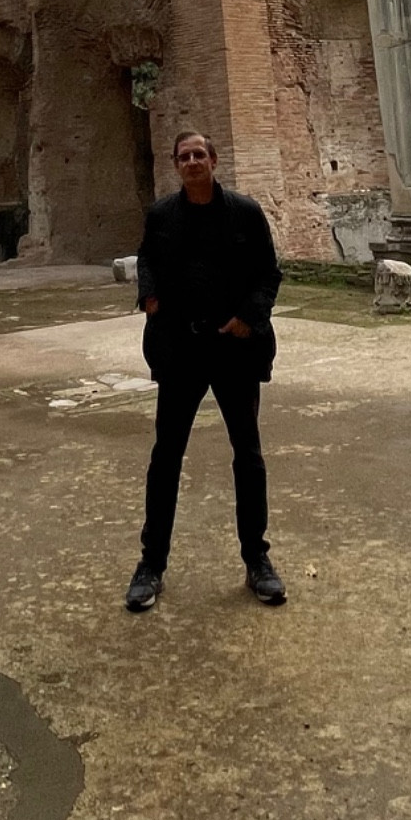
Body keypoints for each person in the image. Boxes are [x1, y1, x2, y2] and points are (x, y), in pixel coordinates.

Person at [125, 129, 285, 612]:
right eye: (184, 157)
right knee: (166, 456)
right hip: (180, 349)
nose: (192, 162)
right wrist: (149, 297)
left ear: (214, 160)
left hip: (234, 346)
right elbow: (148, 257)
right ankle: (151, 564)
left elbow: (268, 272)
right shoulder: (162, 215)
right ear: (177, 166)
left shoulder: (245, 212)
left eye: (199, 154)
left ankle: (257, 559)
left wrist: (249, 318)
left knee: (248, 454)